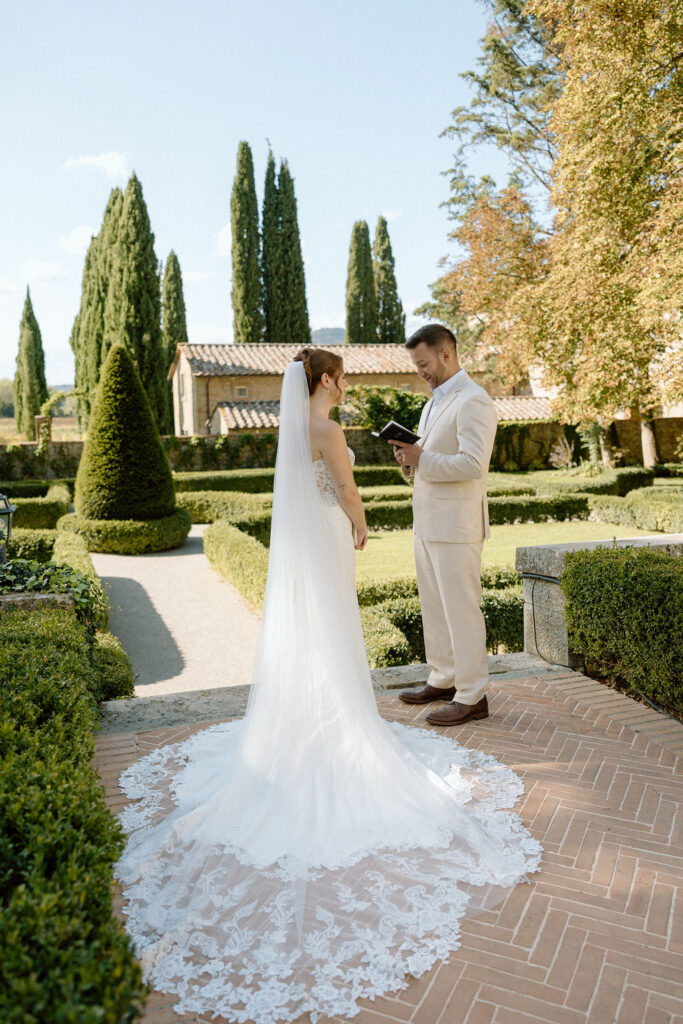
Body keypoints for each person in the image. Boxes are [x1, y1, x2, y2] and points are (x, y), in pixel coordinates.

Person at [114, 348, 541, 1024]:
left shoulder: (291, 427)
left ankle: (306, 718)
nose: (346, 385)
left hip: (301, 542)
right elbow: (345, 491)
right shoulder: (330, 431)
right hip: (330, 535)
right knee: (335, 632)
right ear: (325, 381)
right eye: (341, 376)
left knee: (311, 634)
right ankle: (341, 720)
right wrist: (364, 523)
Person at [391, 324, 499, 726]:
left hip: (457, 526)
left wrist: (422, 459)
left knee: (461, 610)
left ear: (446, 355)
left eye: (423, 363)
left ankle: (473, 696)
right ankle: (444, 678)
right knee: (435, 608)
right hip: (427, 524)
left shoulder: (474, 401)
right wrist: (409, 462)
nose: (420, 371)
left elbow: (473, 465)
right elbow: (430, 461)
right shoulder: (433, 403)